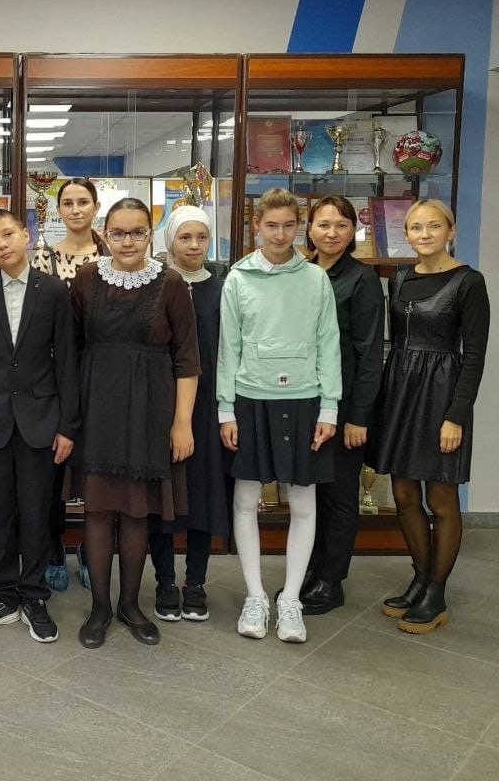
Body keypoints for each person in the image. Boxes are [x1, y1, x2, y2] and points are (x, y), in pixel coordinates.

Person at [69, 199, 199, 648]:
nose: (127, 241)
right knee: (98, 510)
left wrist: (182, 423)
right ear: (104, 233)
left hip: (149, 411)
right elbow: (71, 348)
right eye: (118, 232)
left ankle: (130, 604)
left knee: (137, 511)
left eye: (137, 232)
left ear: (150, 234)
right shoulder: (86, 278)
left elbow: (187, 359)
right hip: (97, 409)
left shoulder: (171, 283)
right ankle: (99, 608)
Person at [218, 187, 341, 645]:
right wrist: (225, 410)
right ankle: (255, 597)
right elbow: (228, 348)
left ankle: (290, 599)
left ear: (300, 226)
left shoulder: (315, 279)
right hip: (250, 399)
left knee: (304, 503)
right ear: (256, 226)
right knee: (245, 500)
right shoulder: (237, 278)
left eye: (289, 225)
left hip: (305, 399)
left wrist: (329, 406)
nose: (280, 234)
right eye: (271, 225)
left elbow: (329, 344)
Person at [0, 209, 78, 644]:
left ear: (26, 235)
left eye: (8, 234)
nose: (2, 244)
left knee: (36, 512)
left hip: (41, 421)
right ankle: (3, 594)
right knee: (0, 513)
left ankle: (34, 595)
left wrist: (67, 426)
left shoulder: (54, 291)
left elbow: (66, 360)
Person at [373, 199, 489, 635]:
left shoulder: (469, 282)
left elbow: (474, 356)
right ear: (406, 234)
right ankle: (420, 579)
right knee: (403, 493)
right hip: (400, 392)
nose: (424, 234)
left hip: (442, 397)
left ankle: (436, 593)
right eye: (416, 227)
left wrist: (456, 416)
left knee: (440, 498)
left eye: (434, 226)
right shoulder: (399, 278)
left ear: (450, 231)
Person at [302, 196, 385, 615]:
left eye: (341, 225)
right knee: (310, 495)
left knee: (339, 495)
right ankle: (311, 571)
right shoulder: (301, 273)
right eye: (323, 224)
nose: (331, 233)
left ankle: (332, 580)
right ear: (309, 229)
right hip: (303, 401)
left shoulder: (362, 280)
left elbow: (370, 354)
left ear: (354, 231)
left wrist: (358, 417)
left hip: (344, 405)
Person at [151, 204, 231, 624]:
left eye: (201, 237)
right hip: (162, 402)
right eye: (185, 237)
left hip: (208, 404)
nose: (194, 245)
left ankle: (195, 582)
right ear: (171, 241)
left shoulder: (223, 286)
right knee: (162, 497)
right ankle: (165, 581)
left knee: (202, 495)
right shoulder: (157, 283)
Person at [31, 177, 108, 592]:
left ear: (95, 207)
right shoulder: (44, 257)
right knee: (54, 469)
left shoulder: (112, 254)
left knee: (97, 467)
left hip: (105, 373)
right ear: (59, 210)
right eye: (68, 203)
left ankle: (91, 548)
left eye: (83, 202)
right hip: (58, 373)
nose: (76, 209)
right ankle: (54, 546)